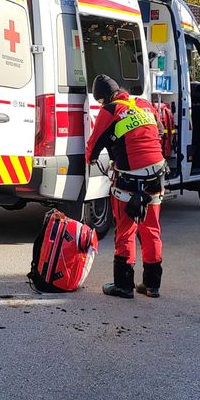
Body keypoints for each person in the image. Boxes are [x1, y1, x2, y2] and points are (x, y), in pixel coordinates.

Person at [85, 75, 166, 299]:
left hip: (129, 178)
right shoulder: (143, 104)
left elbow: (93, 145)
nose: (101, 104)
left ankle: (123, 285)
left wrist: (90, 159)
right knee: (151, 229)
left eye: (100, 101)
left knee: (126, 230)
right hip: (156, 174)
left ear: (103, 98)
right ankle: (152, 285)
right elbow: (159, 132)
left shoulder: (110, 110)